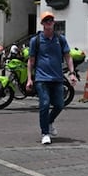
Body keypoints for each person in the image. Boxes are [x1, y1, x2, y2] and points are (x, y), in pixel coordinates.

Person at [26, 11, 75, 145]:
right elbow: (31, 61)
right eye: (46, 20)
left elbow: (68, 56)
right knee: (45, 104)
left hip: (57, 78)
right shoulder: (35, 41)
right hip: (42, 79)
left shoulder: (60, 39)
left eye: (51, 20)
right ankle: (45, 133)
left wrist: (72, 73)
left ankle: (49, 121)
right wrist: (30, 79)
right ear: (42, 23)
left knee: (59, 105)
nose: (49, 22)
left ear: (53, 22)